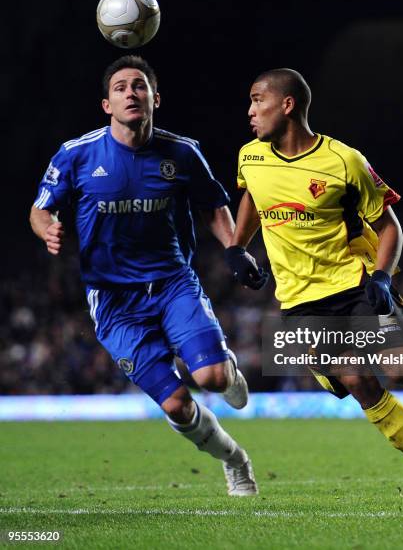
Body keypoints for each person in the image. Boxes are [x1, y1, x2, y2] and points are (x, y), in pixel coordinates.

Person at [225, 67, 403, 502]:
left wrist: (383, 277)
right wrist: (238, 246)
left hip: (354, 284)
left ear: (287, 105)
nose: (250, 111)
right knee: (355, 380)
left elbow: (390, 227)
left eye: (258, 100)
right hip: (300, 303)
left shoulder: (344, 161)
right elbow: (253, 194)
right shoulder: (250, 156)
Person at [30, 55, 258, 496]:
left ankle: (226, 370)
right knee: (176, 404)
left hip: (172, 283)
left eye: (139, 85)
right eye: (120, 87)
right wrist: (47, 230)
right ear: (106, 104)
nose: (130, 93)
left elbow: (213, 205)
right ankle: (235, 460)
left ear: (156, 98)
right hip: (114, 300)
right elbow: (40, 209)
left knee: (212, 379)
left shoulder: (182, 152)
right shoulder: (77, 155)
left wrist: (234, 249)